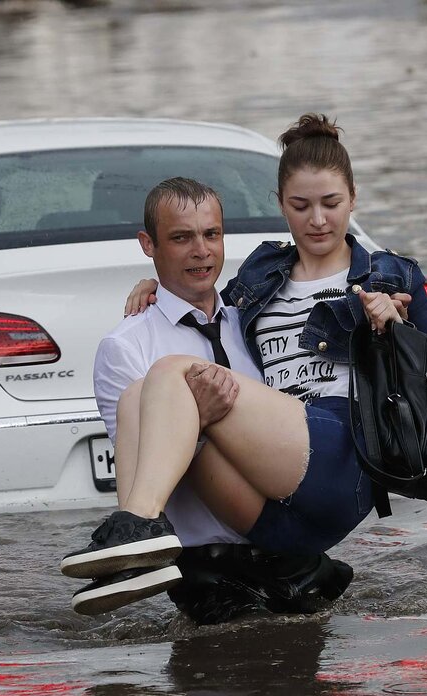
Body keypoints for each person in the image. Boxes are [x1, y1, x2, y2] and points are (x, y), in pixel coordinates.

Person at [61, 114, 427, 616]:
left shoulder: (389, 274)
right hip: (275, 507)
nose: (317, 219)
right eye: (301, 206)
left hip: (339, 452)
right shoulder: (261, 277)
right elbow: (202, 298)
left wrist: (393, 328)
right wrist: (155, 287)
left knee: (173, 373)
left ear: (353, 200)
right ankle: (134, 554)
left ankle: (134, 522)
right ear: (280, 207)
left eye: (331, 204)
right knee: (139, 396)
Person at [65, 176, 356, 620]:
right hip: (211, 574)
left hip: (289, 552)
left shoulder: (254, 319)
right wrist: (195, 418)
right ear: (149, 244)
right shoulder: (126, 346)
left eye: (211, 234)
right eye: (181, 238)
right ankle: (135, 547)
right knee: (152, 390)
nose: (201, 250)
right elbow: (147, 467)